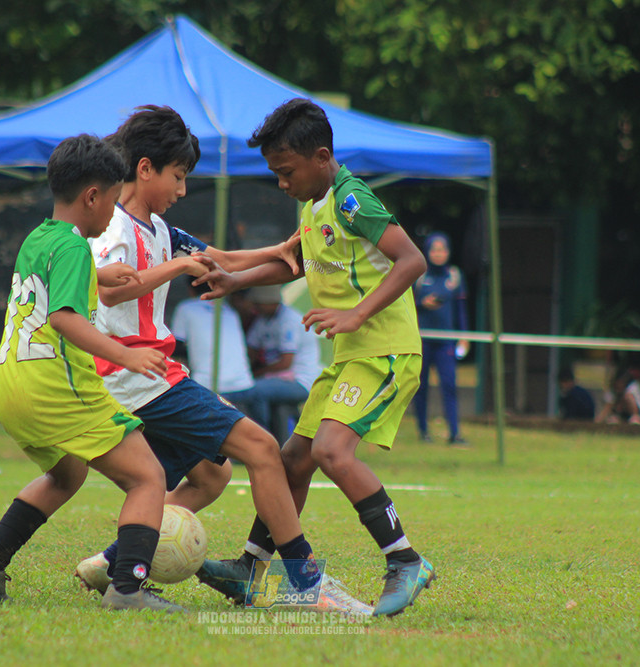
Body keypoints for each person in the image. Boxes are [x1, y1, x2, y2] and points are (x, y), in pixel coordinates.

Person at [74, 105, 370, 614]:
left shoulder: (158, 228)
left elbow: (219, 260)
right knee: (261, 447)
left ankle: (111, 562)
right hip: (138, 377)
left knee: (213, 475)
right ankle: (304, 581)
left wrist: (279, 250)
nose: (182, 190)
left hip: (149, 377)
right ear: (145, 169)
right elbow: (111, 289)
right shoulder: (116, 229)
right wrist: (177, 267)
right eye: (179, 176)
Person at [193, 98, 435, 617]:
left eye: (286, 172)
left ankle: (406, 560)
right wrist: (234, 277)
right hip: (351, 358)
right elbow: (293, 262)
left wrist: (355, 314)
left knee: (331, 452)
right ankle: (253, 566)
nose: (281, 182)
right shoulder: (314, 206)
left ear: (322, 156)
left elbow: (410, 259)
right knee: (290, 460)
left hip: (385, 353)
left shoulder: (352, 200)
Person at [0, 134, 182, 613]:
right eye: (115, 197)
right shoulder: (77, 248)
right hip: (56, 388)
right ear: (92, 197)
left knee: (67, 474)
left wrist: (96, 277)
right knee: (148, 478)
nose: (115, 211)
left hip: (10, 387)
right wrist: (128, 357)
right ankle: (127, 590)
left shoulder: (40, 237)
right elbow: (63, 318)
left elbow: (45, 291)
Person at [244, 284, 323, 441]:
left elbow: (285, 363)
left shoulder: (289, 320)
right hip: (278, 379)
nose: (255, 307)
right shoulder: (263, 319)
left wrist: (255, 374)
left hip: (300, 380)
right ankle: (271, 439)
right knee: (249, 387)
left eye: (259, 303)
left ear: (271, 302)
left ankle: (260, 439)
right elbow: (250, 350)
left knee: (254, 390)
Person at [412, 232, 470, 445]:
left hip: (446, 340)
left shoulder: (454, 276)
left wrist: (464, 336)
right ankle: (422, 430)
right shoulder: (419, 275)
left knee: (449, 385)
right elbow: (407, 306)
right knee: (421, 386)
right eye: (434, 250)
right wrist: (422, 304)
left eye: (442, 249)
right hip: (423, 339)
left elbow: (461, 309)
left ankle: (455, 433)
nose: (438, 254)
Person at [170, 279, 256, 408]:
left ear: (190, 289)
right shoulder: (229, 310)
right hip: (244, 384)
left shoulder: (186, 308)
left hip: (210, 386)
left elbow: (176, 347)